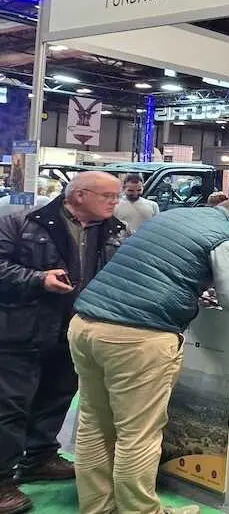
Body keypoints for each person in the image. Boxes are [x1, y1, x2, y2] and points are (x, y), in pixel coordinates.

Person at [67, 200, 229, 514]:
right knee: (138, 432)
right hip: (139, 335)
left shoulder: (174, 216)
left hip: (86, 323)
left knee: (94, 423)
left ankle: (97, 507)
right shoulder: (226, 236)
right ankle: (141, 511)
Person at [0, 172, 126, 514]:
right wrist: (38, 279)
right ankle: (1, 482)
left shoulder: (115, 229)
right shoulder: (21, 221)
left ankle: (39, 458)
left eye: (116, 197)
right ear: (80, 195)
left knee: (57, 396)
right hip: (20, 329)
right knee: (10, 405)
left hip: (75, 329)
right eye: (109, 197)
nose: (116, 203)